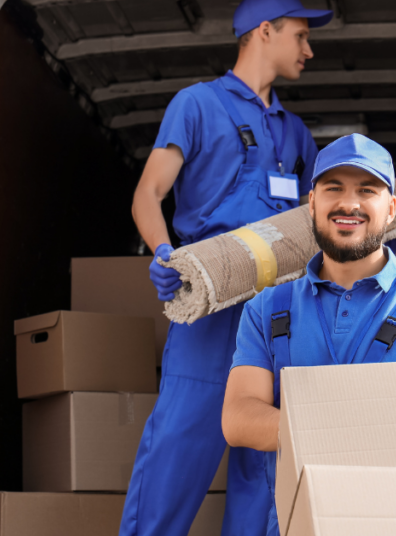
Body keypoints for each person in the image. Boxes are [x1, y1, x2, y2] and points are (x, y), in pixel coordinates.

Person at [123, 0, 333, 533]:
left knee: (264, 472)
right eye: (302, 36)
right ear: (266, 31)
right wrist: (163, 250)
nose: (309, 50)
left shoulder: (296, 133)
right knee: (176, 453)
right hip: (209, 311)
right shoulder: (196, 105)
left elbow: (323, 219)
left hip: (274, 315)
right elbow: (148, 193)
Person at [220, 133, 396, 535]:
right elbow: (238, 418)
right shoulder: (267, 310)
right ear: (312, 203)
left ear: (391, 208)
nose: (349, 203)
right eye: (334, 188)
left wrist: (322, 430)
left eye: (367, 190)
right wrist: (343, 432)